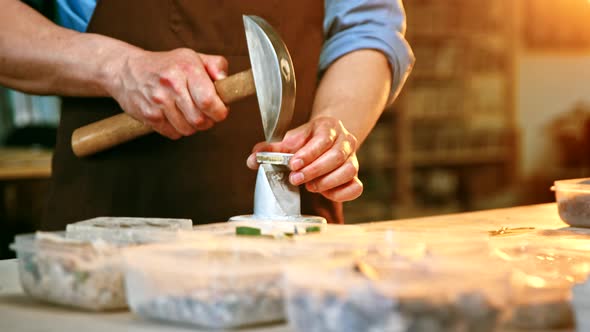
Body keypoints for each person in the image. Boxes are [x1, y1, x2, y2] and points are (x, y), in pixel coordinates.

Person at [0, 0, 414, 228]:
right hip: (106, 243)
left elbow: (368, 28)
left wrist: (332, 130)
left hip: (293, 247)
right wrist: (116, 67)